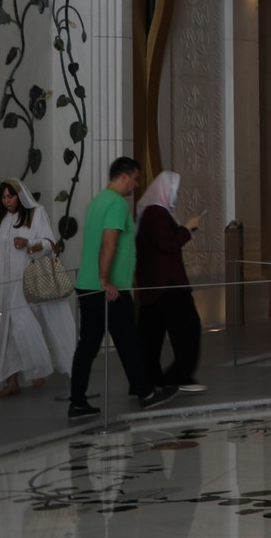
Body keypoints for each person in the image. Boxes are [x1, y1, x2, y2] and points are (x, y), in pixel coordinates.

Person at [68, 156, 167, 417]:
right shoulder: (116, 204)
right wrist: (106, 280)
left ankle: (78, 401)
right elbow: (109, 242)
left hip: (89, 286)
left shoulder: (97, 201)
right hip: (109, 290)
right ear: (123, 177)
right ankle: (145, 392)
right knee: (127, 341)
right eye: (134, 179)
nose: (135, 185)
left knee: (90, 344)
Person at [0, 179, 72, 396]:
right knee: (4, 332)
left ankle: (39, 366)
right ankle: (12, 381)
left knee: (21, 325)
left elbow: (51, 245)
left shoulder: (36, 214)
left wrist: (29, 244)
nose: (7, 200)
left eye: (10, 196)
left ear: (19, 195)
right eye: (3, 197)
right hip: (2, 286)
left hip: (24, 283)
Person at [134, 171, 205, 393]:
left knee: (151, 335)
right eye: (173, 189)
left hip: (155, 285)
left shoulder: (153, 213)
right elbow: (168, 245)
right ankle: (179, 376)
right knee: (188, 329)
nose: (175, 194)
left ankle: (148, 380)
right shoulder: (156, 213)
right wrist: (187, 228)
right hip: (167, 284)